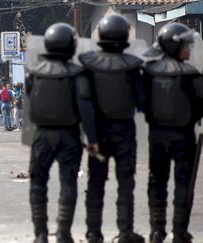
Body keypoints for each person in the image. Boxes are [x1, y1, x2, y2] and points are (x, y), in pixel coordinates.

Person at [25, 23, 97, 243]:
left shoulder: (34, 72)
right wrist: (92, 139)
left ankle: (40, 234)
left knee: (38, 183)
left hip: (41, 135)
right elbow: (85, 107)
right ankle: (64, 233)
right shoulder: (78, 74)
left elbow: (30, 99)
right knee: (68, 183)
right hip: (69, 136)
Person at [78, 14, 145, 243]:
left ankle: (93, 233)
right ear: (125, 36)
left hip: (97, 129)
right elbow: (142, 100)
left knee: (95, 182)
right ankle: (125, 231)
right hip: (125, 129)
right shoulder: (132, 66)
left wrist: (91, 135)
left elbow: (84, 102)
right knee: (126, 181)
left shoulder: (88, 64)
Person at [142, 23, 203, 243]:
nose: (189, 50)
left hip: (157, 137)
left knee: (156, 182)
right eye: (185, 46)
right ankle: (179, 231)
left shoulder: (148, 72)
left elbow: (141, 101)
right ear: (173, 46)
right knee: (183, 184)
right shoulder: (191, 74)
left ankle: (156, 231)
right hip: (183, 137)